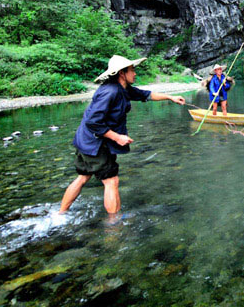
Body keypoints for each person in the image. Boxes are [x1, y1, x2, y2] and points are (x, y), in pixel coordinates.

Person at [59, 55, 185, 216]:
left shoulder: (123, 88)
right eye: (132, 70)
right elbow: (93, 121)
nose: (135, 73)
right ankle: (114, 225)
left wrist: (171, 97)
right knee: (111, 181)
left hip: (86, 141)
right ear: (121, 73)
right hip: (95, 143)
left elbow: (145, 94)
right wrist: (117, 137)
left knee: (83, 176)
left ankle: (61, 213)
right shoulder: (110, 92)